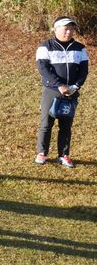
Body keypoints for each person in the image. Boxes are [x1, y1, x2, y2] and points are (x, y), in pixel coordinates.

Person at [35, 16, 89, 168]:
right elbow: (43, 69)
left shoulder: (80, 48)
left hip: (71, 92)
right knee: (46, 123)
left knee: (66, 125)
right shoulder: (45, 46)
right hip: (52, 91)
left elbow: (84, 70)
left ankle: (64, 155)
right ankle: (42, 153)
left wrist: (75, 87)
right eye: (66, 28)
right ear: (56, 29)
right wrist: (59, 85)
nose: (69, 32)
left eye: (71, 29)